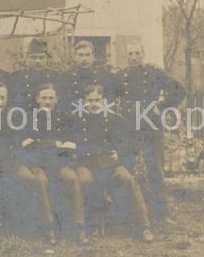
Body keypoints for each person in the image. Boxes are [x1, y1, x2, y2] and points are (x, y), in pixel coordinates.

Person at [0, 81, 57, 245]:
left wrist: (29, 163)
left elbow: (24, 143)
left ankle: (44, 227)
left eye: (3, 97)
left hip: (12, 163)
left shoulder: (16, 118)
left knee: (32, 179)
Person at [73, 84, 154, 242]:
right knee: (85, 181)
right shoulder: (77, 121)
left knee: (127, 180)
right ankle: (90, 225)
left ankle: (143, 227)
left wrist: (120, 153)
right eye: (90, 100)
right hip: (86, 163)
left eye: (97, 100)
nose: (94, 104)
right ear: (84, 102)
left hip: (110, 163)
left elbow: (132, 143)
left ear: (103, 100)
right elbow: (70, 143)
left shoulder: (115, 119)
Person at [114, 43, 186, 223]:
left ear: (143, 55)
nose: (134, 57)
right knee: (126, 169)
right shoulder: (119, 77)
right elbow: (106, 97)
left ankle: (161, 214)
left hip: (151, 127)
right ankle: (126, 214)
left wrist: (161, 107)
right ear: (126, 56)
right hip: (128, 128)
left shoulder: (154, 73)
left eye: (137, 53)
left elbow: (180, 90)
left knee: (155, 170)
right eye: (131, 53)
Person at [19, 83, 88, 244]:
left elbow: (70, 145)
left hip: (60, 163)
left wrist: (42, 144)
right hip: (38, 164)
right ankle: (48, 227)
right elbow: (27, 145)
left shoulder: (66, 118)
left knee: (71, 178)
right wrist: (54, 144)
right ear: (37, 99)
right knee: (41, 181)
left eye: (51, 98)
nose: (47, 101)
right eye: (44, 98)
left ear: (56, 99)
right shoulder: (28, 118)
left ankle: (78, 227)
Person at [61, 40, 116, 110]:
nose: (84, 58)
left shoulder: (103, 74)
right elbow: (64, 101)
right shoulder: (66, 76)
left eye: (87, 55)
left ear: (93, 56)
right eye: (81, 55)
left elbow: (109, 97)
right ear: (75, 56)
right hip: (75, 116)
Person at [11, 38, 61, 108]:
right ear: (28, 58)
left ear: (46, 58)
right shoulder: (18, 75)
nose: (38, 61)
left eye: (41, 58)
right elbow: (14, 101)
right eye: (34, 58)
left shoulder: (55, 75)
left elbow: (59, 101)